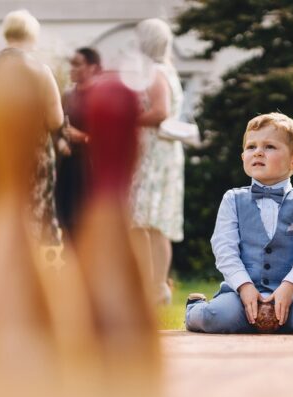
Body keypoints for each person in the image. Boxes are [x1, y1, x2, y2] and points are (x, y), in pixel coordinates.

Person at [185, 113, 293, 335]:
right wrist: (244, 286)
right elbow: (224, 247)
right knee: (216, 318)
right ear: (243, 157)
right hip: (241, 295)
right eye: (251, 147)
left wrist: (289, 286)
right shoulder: (232, 199)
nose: (258, 152)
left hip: (290, 295)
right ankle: (195, 306)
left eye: (269, 146)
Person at [129, 18, 185, 305]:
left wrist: (127, 120)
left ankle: (152, 286)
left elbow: (160, 111)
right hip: (162, 153)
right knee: (154, 221)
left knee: (142, 220)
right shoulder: (169, 70)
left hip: (152, 155)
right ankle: (156, 286)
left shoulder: (154, 72)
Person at [0, 9, 64, 245]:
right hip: (32, 159)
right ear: (33, 36)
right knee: (32, 220)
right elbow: (55, 120)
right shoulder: (40, 71)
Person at [55, 47, 101, 240]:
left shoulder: (100, 96)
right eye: (71, 63)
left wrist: (83, 137)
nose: (71, 68)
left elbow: (106, 138)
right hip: (67, 165)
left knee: (86, 224)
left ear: (92, 68)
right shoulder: (67, 96)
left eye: (77, 64)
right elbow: (56, 129)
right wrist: (60, 142)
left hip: (89, 169)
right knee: (65, 222)